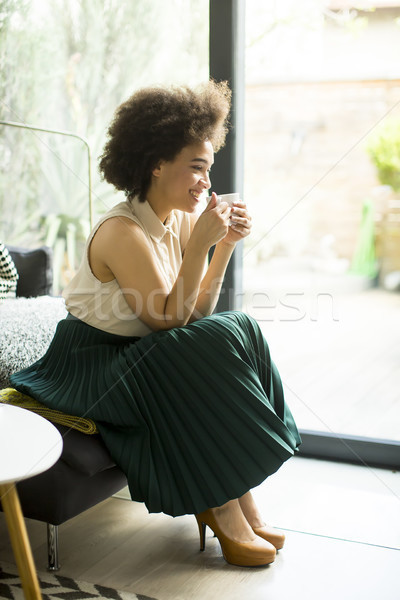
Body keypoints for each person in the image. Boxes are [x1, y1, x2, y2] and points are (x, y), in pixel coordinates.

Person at [10, 80, 301, 568]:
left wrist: (222, 243)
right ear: (156, 164)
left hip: (139, 352)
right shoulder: (121, 231)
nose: (206, 182)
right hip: (91, 363)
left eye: (208, 169)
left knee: (237, 326)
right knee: (207, 343)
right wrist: (200, 244)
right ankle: (222, 501)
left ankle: (239, 495)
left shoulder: (180, 219)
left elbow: (195, 315)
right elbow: (166, 319)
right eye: (197, 167)